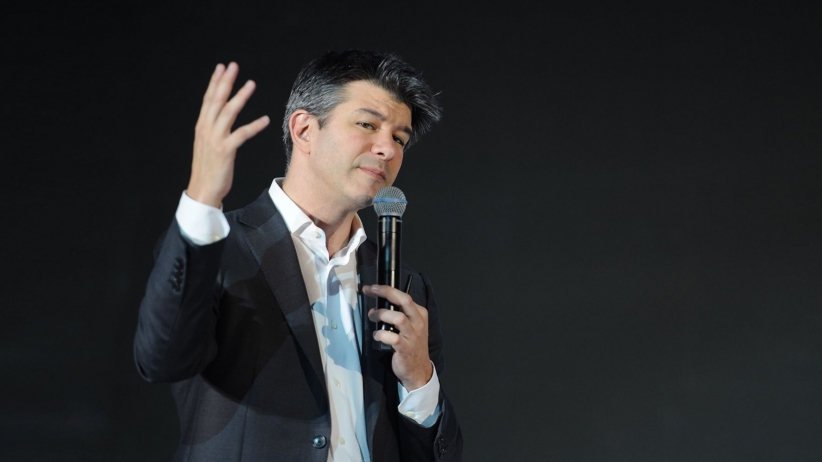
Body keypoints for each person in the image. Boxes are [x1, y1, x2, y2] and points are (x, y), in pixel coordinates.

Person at [133, 50, 463, 462]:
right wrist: (202, 199)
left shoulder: (405, 286)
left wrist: (419, 381)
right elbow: (161, 361)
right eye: (367, 124)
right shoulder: (218, 247)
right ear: (304, 129)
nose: (387, 149)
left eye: (399, 138)